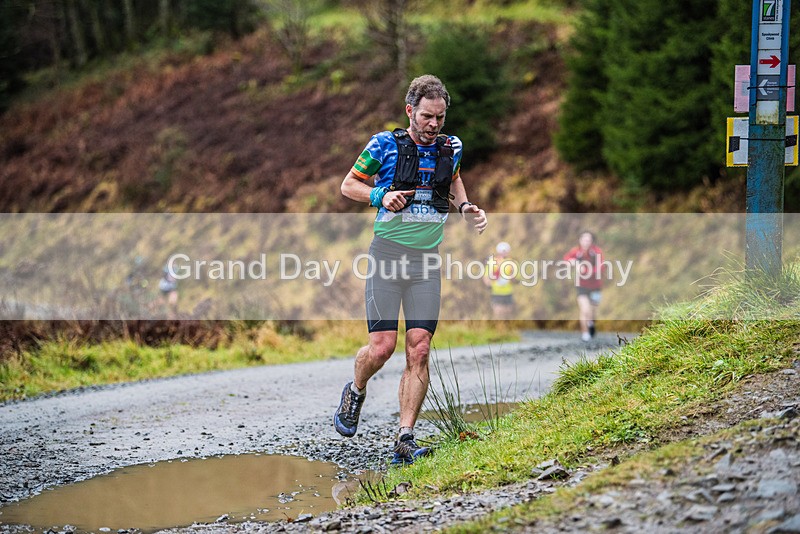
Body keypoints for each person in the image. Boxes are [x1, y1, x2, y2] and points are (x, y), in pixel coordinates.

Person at [335, 74, 488, 465]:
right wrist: (379, 195)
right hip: (387, 256)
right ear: (410, 111)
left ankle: (405, 436)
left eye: (440, 117)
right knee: (382, 348)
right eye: (426, 116)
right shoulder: (383, 145)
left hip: (425, 262)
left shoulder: (450, 147)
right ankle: (355, 389)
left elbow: (454, 180)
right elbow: (348, 184)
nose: (434, 124)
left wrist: (466, 207)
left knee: (419, 347)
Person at [563, 231, 604, 342]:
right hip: (581, 285)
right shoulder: (576, 251)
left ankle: (591, 323)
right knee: (584, 309)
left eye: (588, 240)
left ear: (592, 241)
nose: (586, 242)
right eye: (584, 240)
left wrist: (585, 270)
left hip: (595, 285)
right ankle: (585, 333)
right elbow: (566, 259)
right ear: (580, 240)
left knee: (593, 311)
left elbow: (601, 268)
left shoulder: (597, 252)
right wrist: (573, 263)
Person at [483, 241, 515, 320]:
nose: (504, 253)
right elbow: (486, 277)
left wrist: (512, 277)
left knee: (508, 313)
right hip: (496, 292)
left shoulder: (511, 262)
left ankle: (507, 330)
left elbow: (515, 277)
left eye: (505, 251)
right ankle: (498, 330)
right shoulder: (492, 262)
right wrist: (489, 285)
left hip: (508, 292)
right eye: (502, 251)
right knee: (498, 313)